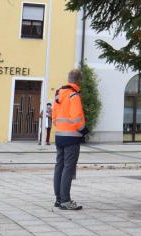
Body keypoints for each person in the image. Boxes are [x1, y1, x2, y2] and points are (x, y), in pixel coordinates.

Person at [52, 68, 88, 210]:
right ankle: (66, 201)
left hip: (59, 135)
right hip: (71, 137)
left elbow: (54, 116)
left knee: (59, 166)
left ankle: (59, 199)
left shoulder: (58, 94)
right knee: (68, 168)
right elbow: (77, 117)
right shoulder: (74, 96)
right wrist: (84, 130)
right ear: (79, 80)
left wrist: (60, 127)